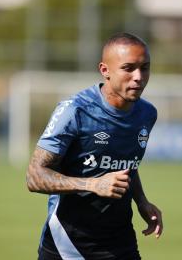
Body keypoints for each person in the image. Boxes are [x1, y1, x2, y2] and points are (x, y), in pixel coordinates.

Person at [26, 32, 163, 259]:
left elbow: (127, 165)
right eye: (128, 68)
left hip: (120, 241)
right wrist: (92, 184)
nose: (138, 76)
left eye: (145, 67)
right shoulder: (75, 111)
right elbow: (34, 177)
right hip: (68, 242)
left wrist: (142, 202)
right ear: (105, 70)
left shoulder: (147, 114)